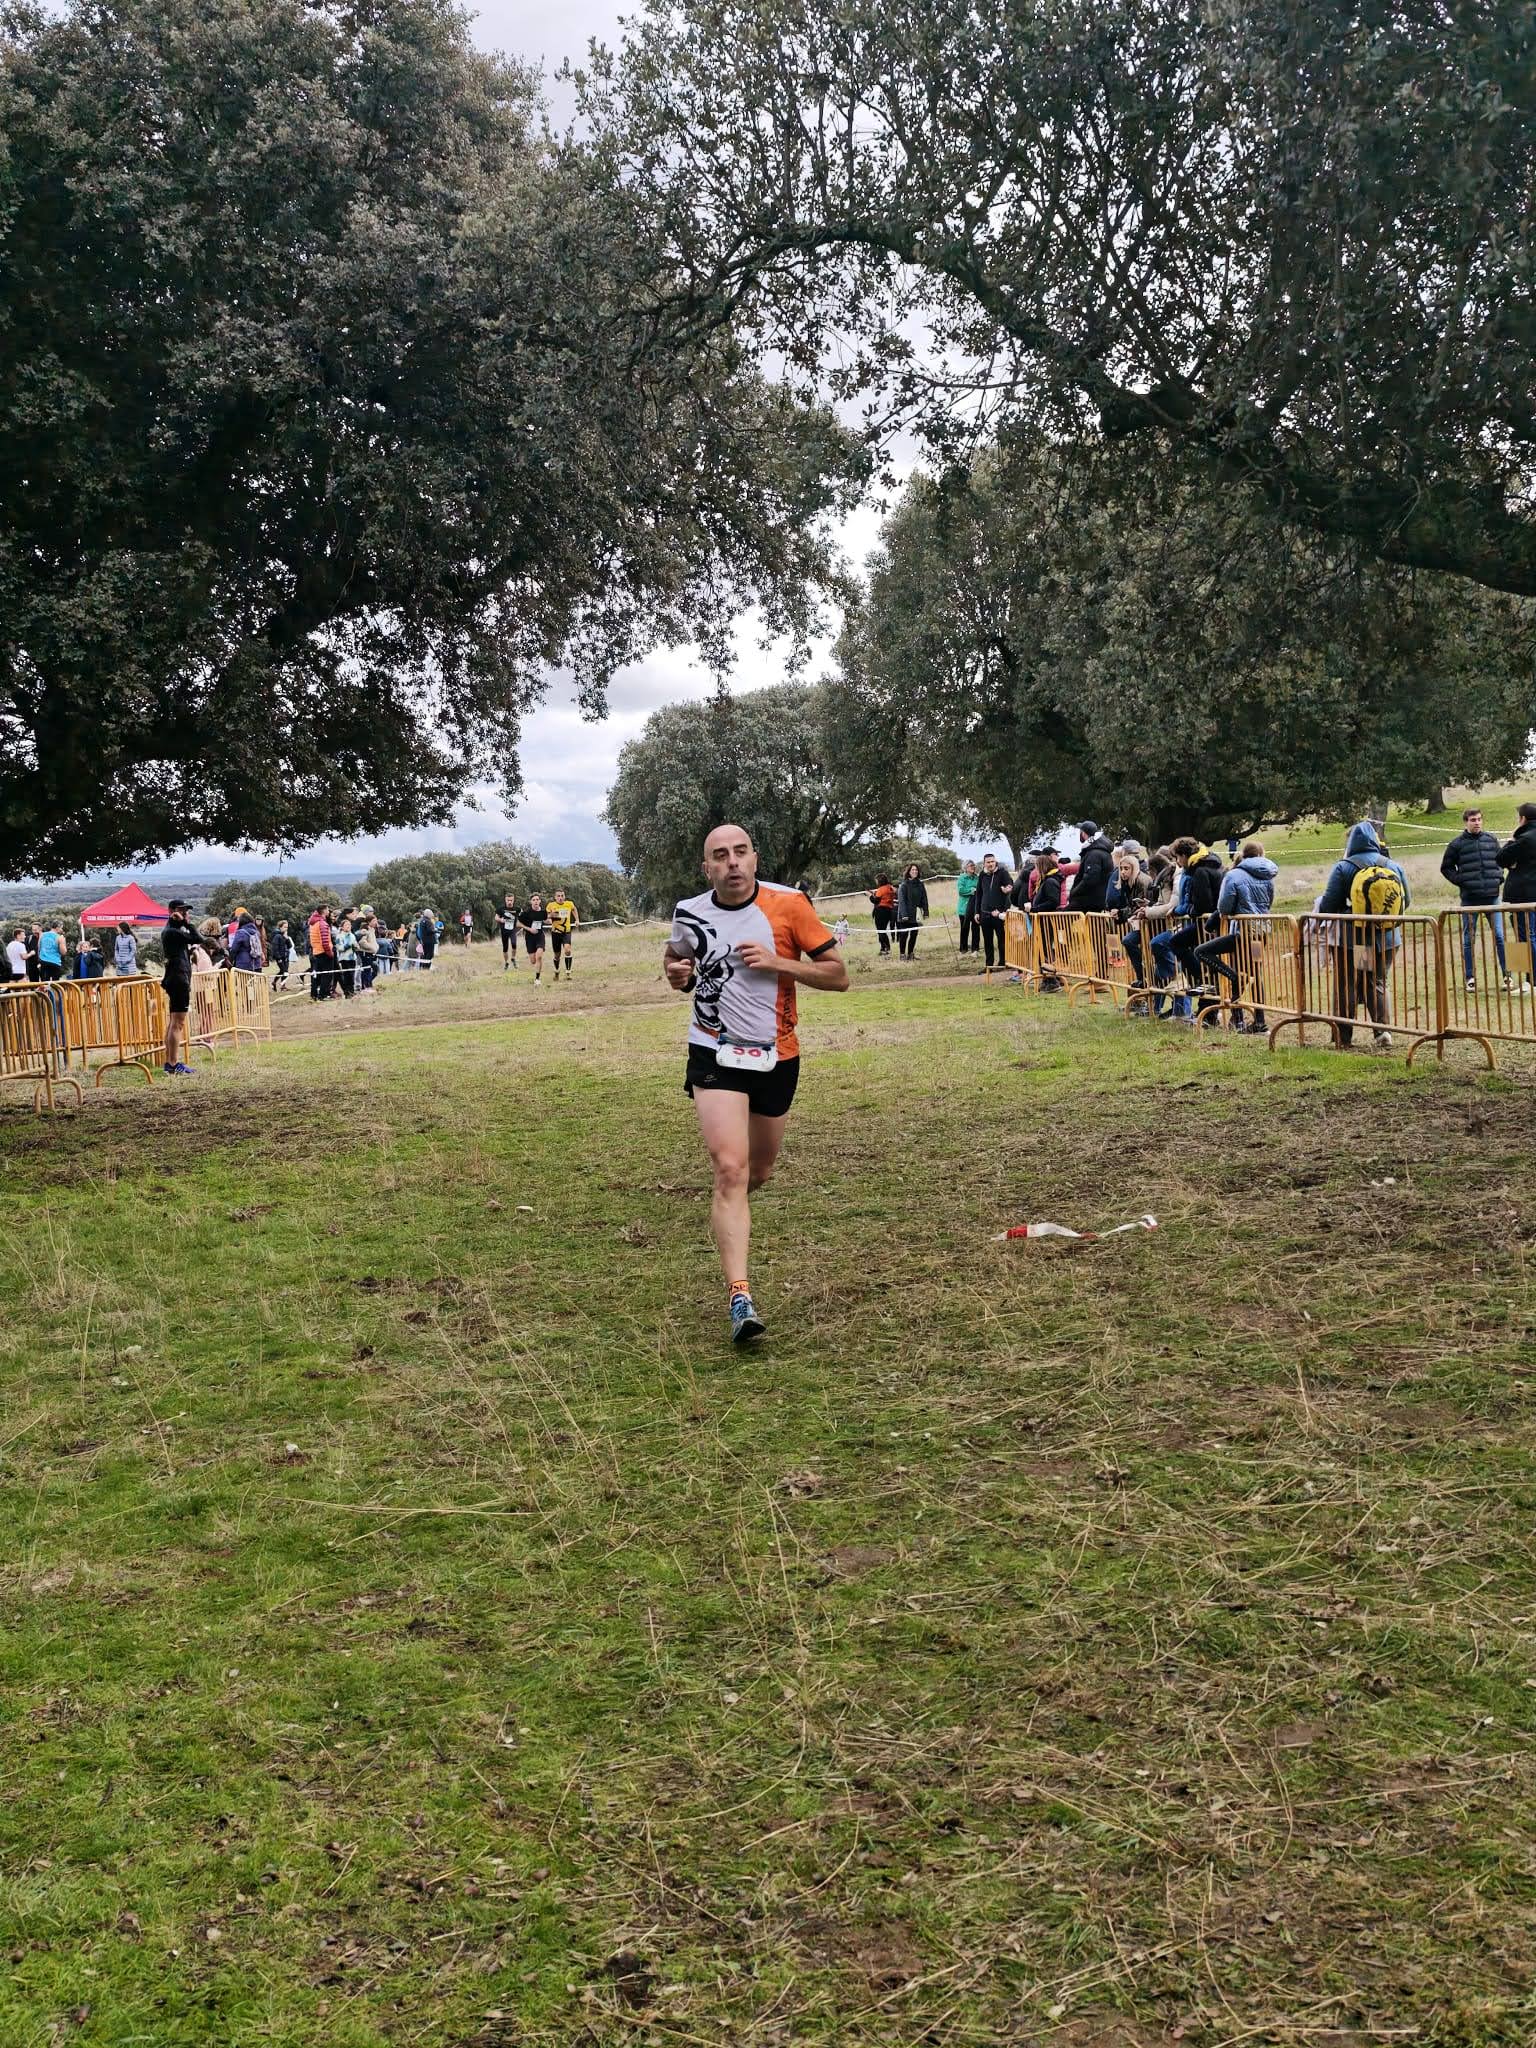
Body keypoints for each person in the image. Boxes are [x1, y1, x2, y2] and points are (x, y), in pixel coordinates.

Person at [663, 822, 848, 1344]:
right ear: (707, 868)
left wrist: (778, 963)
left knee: (757, 1172)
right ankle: (740, 1296)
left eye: (740, 852)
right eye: (720, 856)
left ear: (755, 857)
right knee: (729, 1167)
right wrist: (677, 973)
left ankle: (732, 1206)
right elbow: (677, 958)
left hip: (775, 1056)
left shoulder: (790, 905)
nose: (732, 863)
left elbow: (838, 975)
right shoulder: (689, 910)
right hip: (712, 1051)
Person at [1317, 820, 1410, 1048]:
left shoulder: (1344, 867)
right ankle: (1382, 1032)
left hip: (1355, 940)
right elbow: (1406, 900)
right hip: (1388, 939)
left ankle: (1343, 1036)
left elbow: (1327, 906)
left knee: (1347, 983)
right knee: (1377, 981)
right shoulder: (1392, 865)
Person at [1194, 841, 1278, 1030]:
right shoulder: (1268, 876)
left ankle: (1239, 1014)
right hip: (1261, 932)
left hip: (1241, 932)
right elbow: (1269, 902)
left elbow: (1224, 906)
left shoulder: (1233, 875)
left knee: (1202, 952)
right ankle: (1257, 1020)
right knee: (1255, 973)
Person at [1149, 838, 1224, 1018]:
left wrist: (1186, 909)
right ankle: (1204, 999)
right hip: (1205, 923)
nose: (1177, 862)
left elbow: (1202, 904)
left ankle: (1201, 983)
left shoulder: (1200, 871)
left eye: (1177, 858)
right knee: (1184, 946)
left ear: (1184, 855)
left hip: (1206, 923)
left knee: (1179, 943)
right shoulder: (1204, 866)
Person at [1441, 805, 1510, 989]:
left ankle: (1507, 976)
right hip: (1470, 899)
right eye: (1473, 820)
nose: (1477, 823)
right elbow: (1446, 868)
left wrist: (1498, 877)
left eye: (1479, 819)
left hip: (1492, 897)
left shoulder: (1491, 839)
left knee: (1499, 936)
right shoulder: (1456, 845)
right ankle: (1470, 978)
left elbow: (1500, 861)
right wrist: (1461, 880)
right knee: (1468, 939)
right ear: (1466, 822)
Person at [159, 898, 197, 1075]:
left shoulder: (173, 931)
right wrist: (187, 924)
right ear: (171, 911)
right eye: (181, 911)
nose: (184, 914)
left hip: (177, 977)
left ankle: (170, 1062)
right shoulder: (172, 932)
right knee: (178, 1023)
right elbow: (198, 938)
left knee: (174, 1022)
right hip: (178, 978)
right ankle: (173, 1064)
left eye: (186, 911)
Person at [1499, 801, 1536, 979]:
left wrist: (1511, 838)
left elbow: (1501, 858)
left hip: (1523, 894)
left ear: (1522, 819)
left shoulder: (1524, 838)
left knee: (1523, 936)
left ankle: (1530, 979)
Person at [1107, 849, 1153, 993]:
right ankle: (1142, 976)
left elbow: (1140, 906)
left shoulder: (1142, 881)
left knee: (1129, 941)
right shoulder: (1127, 883)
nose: (1123, 872)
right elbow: (1131, 906)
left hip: (1149, 921)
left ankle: (1145, 975)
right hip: (1139, 922)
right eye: (1121, 868)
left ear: (1133, 868)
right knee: (1128, 941)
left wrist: (1121, 913)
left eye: (1126, 868)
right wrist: (1118, 912)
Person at [1032, 849, 1067, 991]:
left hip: (1047, 921)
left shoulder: (1051, 881)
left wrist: (1036, 909)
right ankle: (1048, 979)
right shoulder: (1046, 880)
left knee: (1045, 951)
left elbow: (1053, 902)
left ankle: (1052, 981)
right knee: (1044, 951)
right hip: (1043, 920)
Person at [973, 853, 1014, 973]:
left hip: (999, 913)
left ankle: (1003, 963)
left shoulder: (1002, 872)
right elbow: (979, 894)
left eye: (992, 861)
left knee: (1002, 939)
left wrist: (1008, 888)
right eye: (988, 862)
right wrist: (976, 912)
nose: (990, 864)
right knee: (987, 941)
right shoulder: (982, 875)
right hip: (984, 913)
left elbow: (1010, 884)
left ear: (995, 862)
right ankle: (988, 966)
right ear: (984, 863)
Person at [1068, 821, 1114, 912]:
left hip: (1090, 901)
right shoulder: (1101, 850)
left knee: (1062, 920)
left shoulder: (1094, 853)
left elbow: (1090, 880)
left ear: (1084, 834)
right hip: (1098, 900)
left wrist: (1074, 893)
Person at [896, 863, 928, 959]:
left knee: (914, 934)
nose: (915, 871)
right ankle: (902, 954)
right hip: (905, 915)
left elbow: (924, 899)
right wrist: (904, 915)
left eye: (916, 870)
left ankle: (910, 954)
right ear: (909, 872)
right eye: (912, 870)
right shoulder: (904, 885)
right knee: (904, 935)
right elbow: (902, 901)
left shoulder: (920, 884)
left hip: (916, 915)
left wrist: (925, 912)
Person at [546, 887, 579, 981]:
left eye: (562, 896)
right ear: (555, 897)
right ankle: (556, 971)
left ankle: (568, 972)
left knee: (567, 950)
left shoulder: (569, 904)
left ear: (564, 896)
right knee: (557, 955)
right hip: (555, 933)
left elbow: (574, 909)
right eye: (558, 896)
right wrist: (550, 918)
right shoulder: (551, 905)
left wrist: (577, 920)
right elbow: (547, 916)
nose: (560, 898)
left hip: (566, 932)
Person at [518, 893, 549, 984]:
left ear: (539, 901)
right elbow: (517, 923)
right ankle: (537, 967)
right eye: (534, 900)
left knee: (539, 956)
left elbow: (547, 920)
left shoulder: (543, 912)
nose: (536, 901)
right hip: (529, 938)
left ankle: (537, 979)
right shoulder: (526, 913)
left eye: (537, 899)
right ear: (531, 902)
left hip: (540, 936)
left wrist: (552, 918)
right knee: (533, 960)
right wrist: (529, 929)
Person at [308, 905, 335, 1000]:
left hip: (316, 951)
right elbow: (325, 941)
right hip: (324, 952)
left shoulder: (313, 923)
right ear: (323, 911)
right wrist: (330, 953)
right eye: (327, 910)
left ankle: (316, 994)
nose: (329, 911)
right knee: (327, 975)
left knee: (318, 975)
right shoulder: (322, 923)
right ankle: (324, 995)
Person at [867, 875, 897, 955]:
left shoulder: (881, 889)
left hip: (880, 911)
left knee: (880, 931)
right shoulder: (890, 887)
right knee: (883, 930)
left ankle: (886, 948)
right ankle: (883, 948)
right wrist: (874, 894)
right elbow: (884, 897)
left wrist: (869, 896)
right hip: (889, 911)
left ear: (880, 881)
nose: (876, 882)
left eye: (876, 880)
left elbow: (876, 901)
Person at [956, 859, 979, 953]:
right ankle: (963, 948)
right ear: (965, 868)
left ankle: (975, 948)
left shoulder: (976, 878)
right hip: (964, 908)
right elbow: (961, 891)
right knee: (965, 928)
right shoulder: (962, 878)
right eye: (970, 865)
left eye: (973, 865)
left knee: (976, 928)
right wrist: (971, 891)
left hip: (975, 907)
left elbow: (979, 889)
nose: (973, 867)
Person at [496, 892, 520, 971]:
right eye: (508, 900)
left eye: (511, 900)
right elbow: (496, 918)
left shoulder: (517, 909)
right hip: (504, 931)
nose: (509, 902)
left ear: (513, 900)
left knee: (514, 944)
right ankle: (506, 962)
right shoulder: (501, 909)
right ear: (505, 900)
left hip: (512, 930)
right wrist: (501, 920)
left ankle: (513, 958)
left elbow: (522, 917)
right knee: (505, 948)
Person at [269, 920, 295, 990]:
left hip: (285, 956)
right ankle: (277, 983)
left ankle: (280, 985)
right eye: (284, 927)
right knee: (284, 971)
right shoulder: (277, 936)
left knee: (284, 971)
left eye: (287, 927)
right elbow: (275, 948)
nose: (286, 929)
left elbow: (289, 946)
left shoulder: (284, 936)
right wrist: (278, 958)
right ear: (280, 927)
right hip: (280, 957)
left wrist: (287, 938)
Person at [416, 907, 437, 971]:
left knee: (425, 954)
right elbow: (429, 930)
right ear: (429, 914)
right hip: (429, 941)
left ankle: (423, 967)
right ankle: (426, 968)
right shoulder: (428, 921)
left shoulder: (422, 920)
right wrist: (435, 930)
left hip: (424, 940)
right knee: (429, 954)